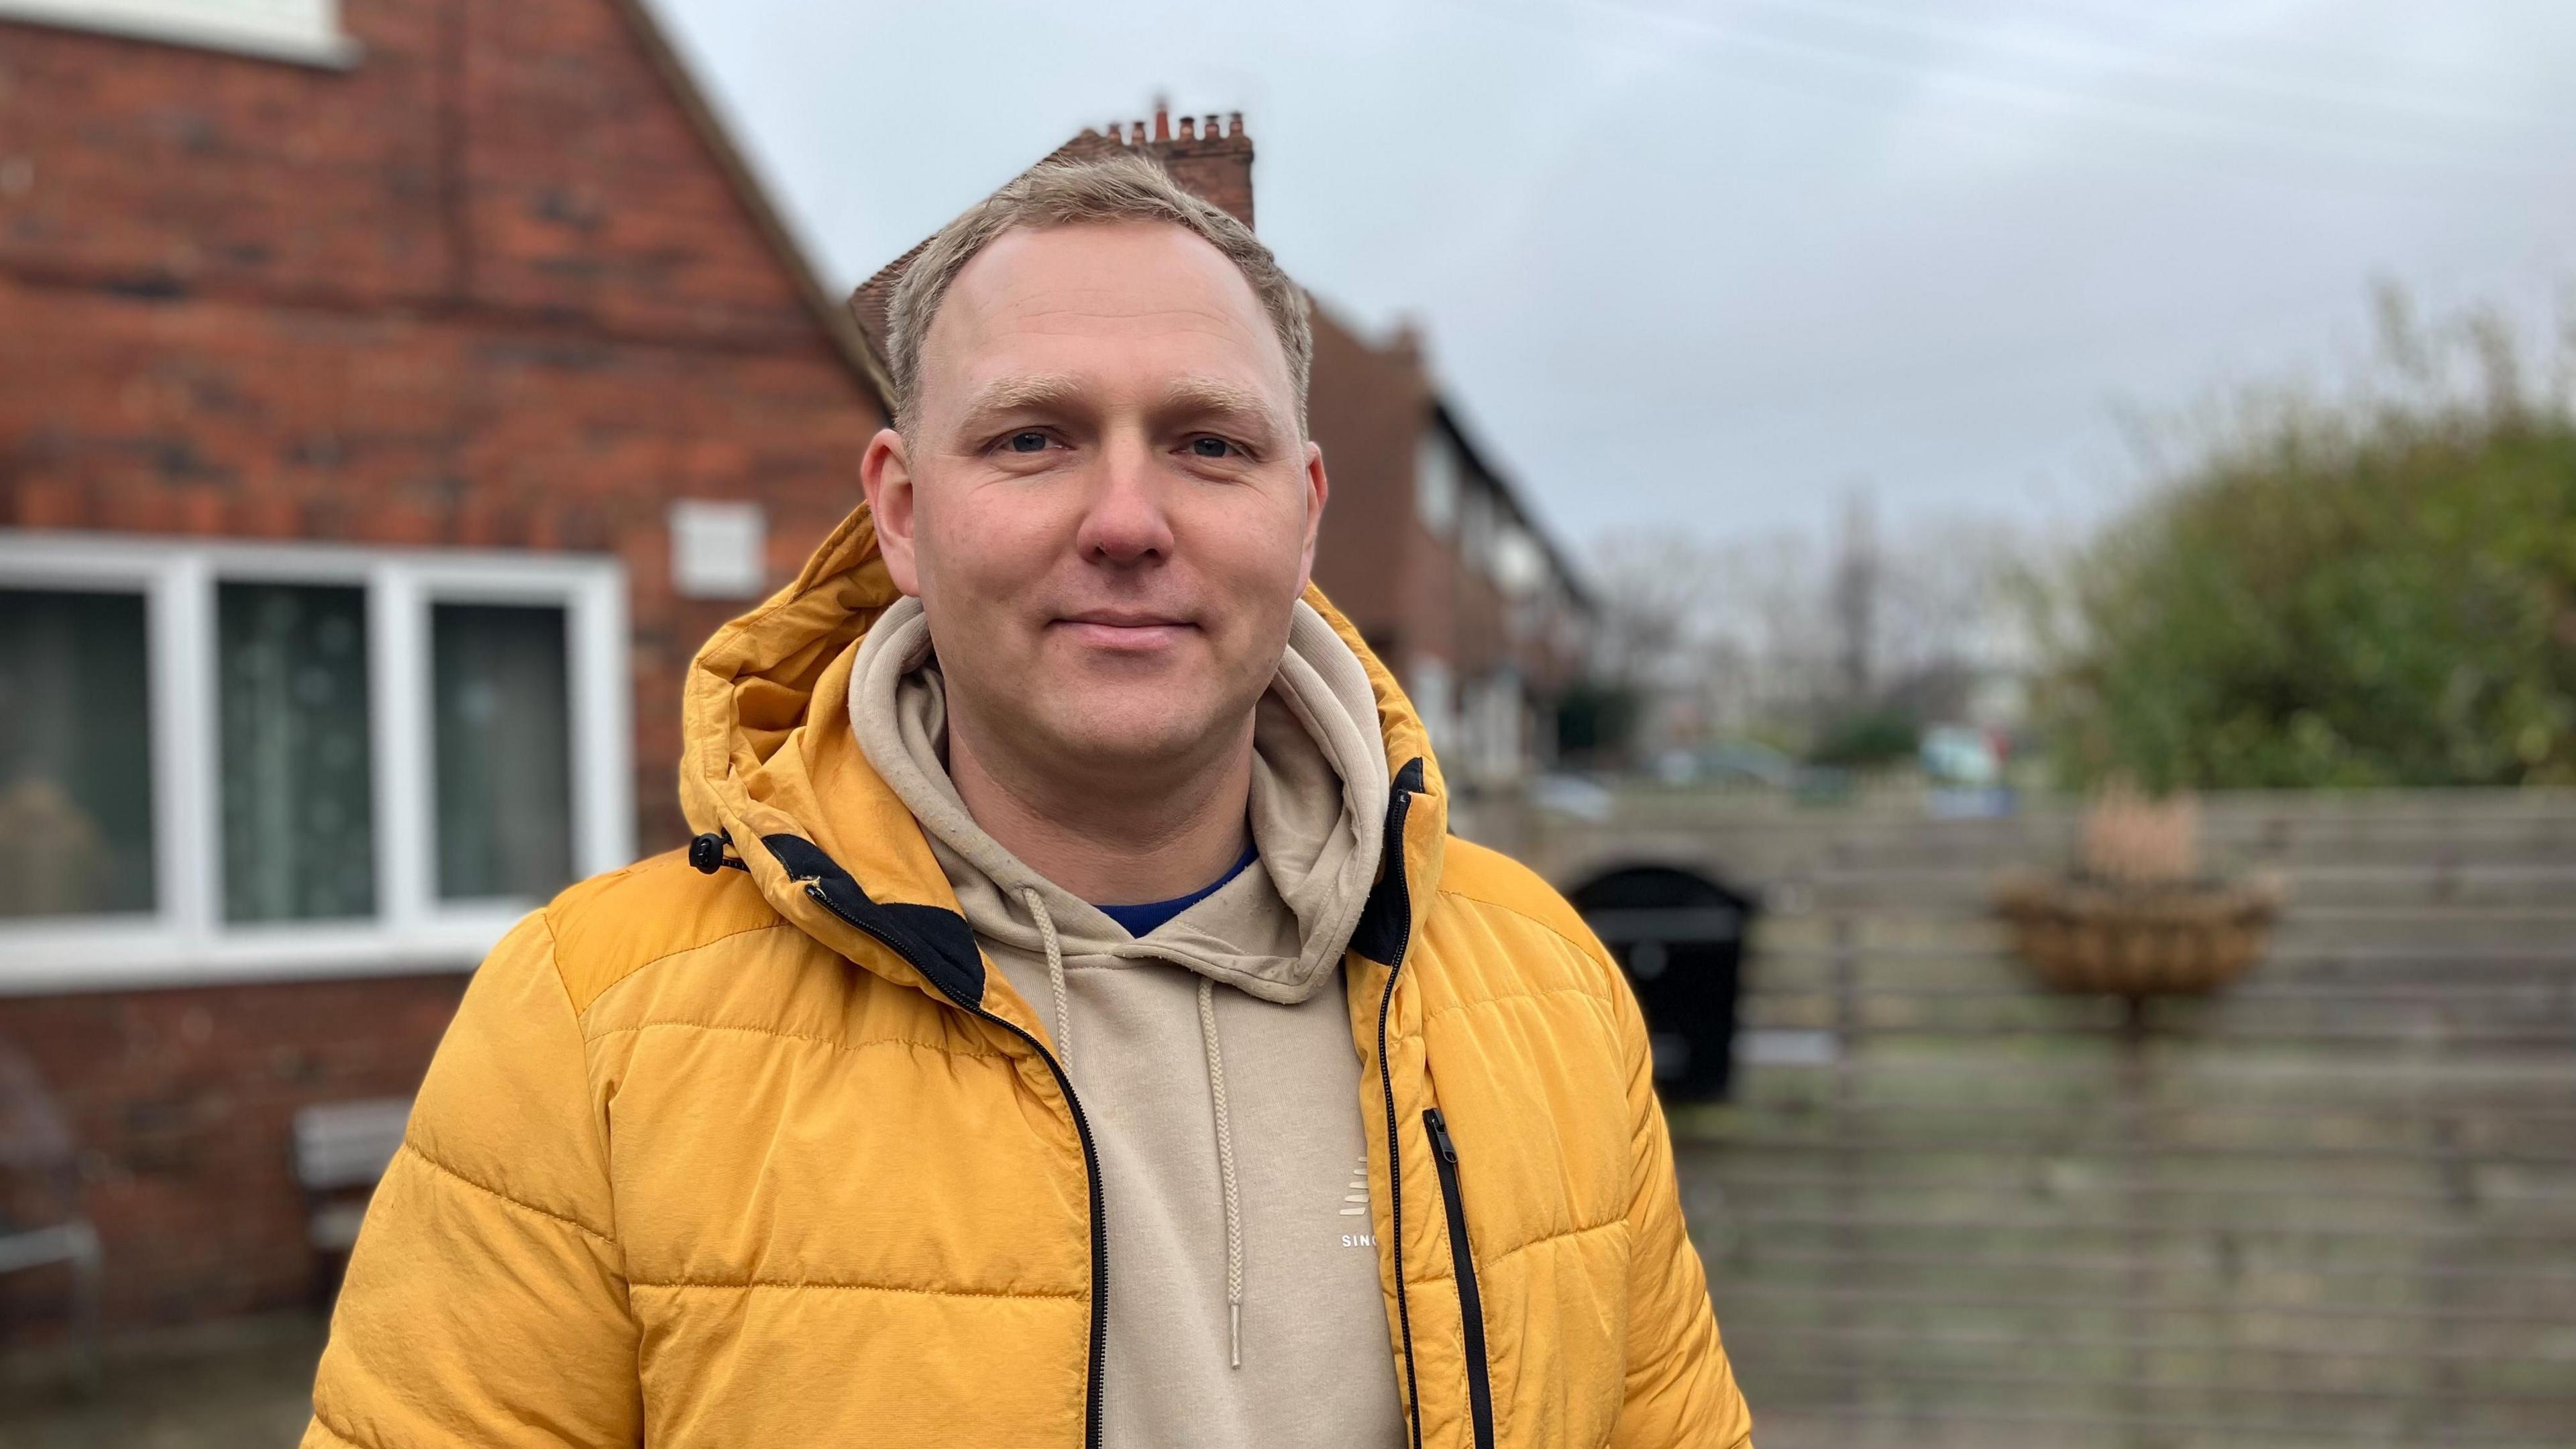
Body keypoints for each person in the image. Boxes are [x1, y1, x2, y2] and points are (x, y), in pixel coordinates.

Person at [302, 153, 1752, 1449]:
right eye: (1032, 439)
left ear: (1303, 514)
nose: (1127, 522)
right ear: (903, 511)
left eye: (1209, 444)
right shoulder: (590, 1027)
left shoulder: (1546, 993)